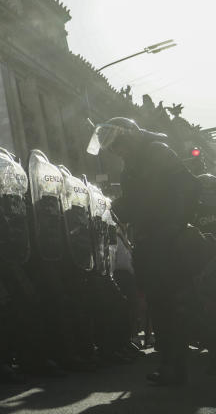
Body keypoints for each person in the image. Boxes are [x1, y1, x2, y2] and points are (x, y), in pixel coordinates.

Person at [87, 117, 201, 385]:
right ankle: (170, 364)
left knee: (172, 302)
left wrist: (173, 225)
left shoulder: (156, 152)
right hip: (151, 240)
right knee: (160, 303)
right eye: (112, 149)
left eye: (118, 145)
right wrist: (122, 206)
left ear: (130, 137)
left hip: (166, 240)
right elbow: (143, 199)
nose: (117, 152)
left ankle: (176, 365)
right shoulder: (135, 163)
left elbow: (189, 186)